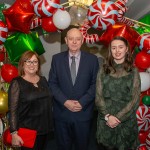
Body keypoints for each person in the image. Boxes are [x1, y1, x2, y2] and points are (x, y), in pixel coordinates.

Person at [48, 28, 99, 150]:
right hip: (62, 113)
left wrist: (82, 102)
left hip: (83, 113)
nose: (74, 42)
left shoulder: (92, 60)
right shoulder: (56, 59)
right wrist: (65, 102)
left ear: (82, 41)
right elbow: (52, 84)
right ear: (66, 40)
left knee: (82, 146)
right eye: (71, 39)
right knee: (63, 146)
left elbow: (96, 84)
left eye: (78, 39)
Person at [95, 36, 141, 150]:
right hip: (105, 121)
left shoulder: (133, 71)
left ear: (126, 49)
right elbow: (98, 96)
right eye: (114, 48)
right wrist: (108, 116)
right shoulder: (103, 69)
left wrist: (117, 117)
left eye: (120, 47)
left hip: (126, 122)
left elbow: (135, 99)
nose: (117, 51)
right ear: (110, 50)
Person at [8, 51, 53, 150]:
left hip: (44, 130)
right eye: (28, 61)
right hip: (28, 132)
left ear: (38, 65)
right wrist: (14, 134)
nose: (32, 64)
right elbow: (13, 110)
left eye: (35, 62)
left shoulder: (43, 80)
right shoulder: (17, 83)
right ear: (22, 64)